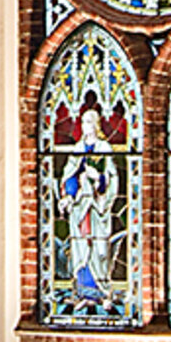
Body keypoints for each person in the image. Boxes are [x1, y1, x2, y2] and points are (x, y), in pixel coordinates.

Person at [61, 103, 118, 306]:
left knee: (98, 248)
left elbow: (111, 177)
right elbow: (70, 174)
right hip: (80, 207)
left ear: (96, 125)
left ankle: (100, 291)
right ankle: (83, 293)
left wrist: (99, 179)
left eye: (89, 122)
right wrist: (69, 195)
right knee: (80, 247)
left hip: (97, 207)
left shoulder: (104, 148)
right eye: (83, 122)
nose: (85, 126)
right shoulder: (78, 149)